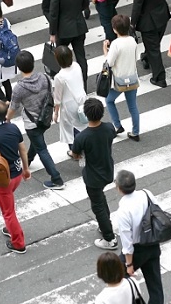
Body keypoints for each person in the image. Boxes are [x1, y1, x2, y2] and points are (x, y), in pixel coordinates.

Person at [7, 51, 65, 190]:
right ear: (33, 63)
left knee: (42, 149)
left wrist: (7, 119)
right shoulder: (44, 77)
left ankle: (56, 179)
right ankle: (29, 159)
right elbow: (51, 95)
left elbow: (13, 107)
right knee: (37, 141)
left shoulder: (19, 88)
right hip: (45, 119)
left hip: (32, 123)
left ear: (19, 68)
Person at [0, 99, 31, 254]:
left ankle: (18, 243)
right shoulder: (13, 127)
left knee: (8, 212)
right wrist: (26, 169)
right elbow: (23, 150)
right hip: (16, 175)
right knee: (9, 205)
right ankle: (10, 226)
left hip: (2, 179)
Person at [72, 98, 117, 249]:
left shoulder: (82, 137)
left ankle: (109, 238)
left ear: (85, 114)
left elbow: (75, 154)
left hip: (93, 176)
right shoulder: (109, 127)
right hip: (107, 169)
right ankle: (106, 223)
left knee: (97, 205)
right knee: (100, 199)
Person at [114, 170, 164, 304]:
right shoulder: (146, 194)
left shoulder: (123, 211)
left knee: (116, 277)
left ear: (119, 188)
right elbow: (158, 211)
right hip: (152, 243)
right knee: (156, 288)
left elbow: (127, 243)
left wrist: (129, 264)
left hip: (137, 251)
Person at [103, 15, 140, 141]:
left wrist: (105, 50)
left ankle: (117, 125)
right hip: (132, 78)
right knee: (133, 107)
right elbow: (135, 59)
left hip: (118, 81)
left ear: (114, 29)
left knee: (109, 101)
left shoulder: (115, 44)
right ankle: (135, 132)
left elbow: (110, 62)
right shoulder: (133, 41)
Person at [49, 0, 89, 90]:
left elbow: (53, 14)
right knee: (81, 57)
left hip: (63, 30)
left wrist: (52, 32)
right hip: (79, 26)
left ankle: (62, 83)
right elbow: (86, 3)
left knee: (60, 57)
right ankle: (84, 84)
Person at [131, 0, 170, 88]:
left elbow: (137, 5)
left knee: (153, 49)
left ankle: (159, 78)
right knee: (154, 45)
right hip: (162, 15)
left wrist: (132, 24)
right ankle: (146, 57)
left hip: (148, 21)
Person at [53, 45, 87, 155]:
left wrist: (55, 113)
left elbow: (57, 98)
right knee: (82, 124)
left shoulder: (59, 77)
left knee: (72, 129)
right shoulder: (77, 66)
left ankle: (75, 151)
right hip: (81, 98)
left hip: (69, 105)